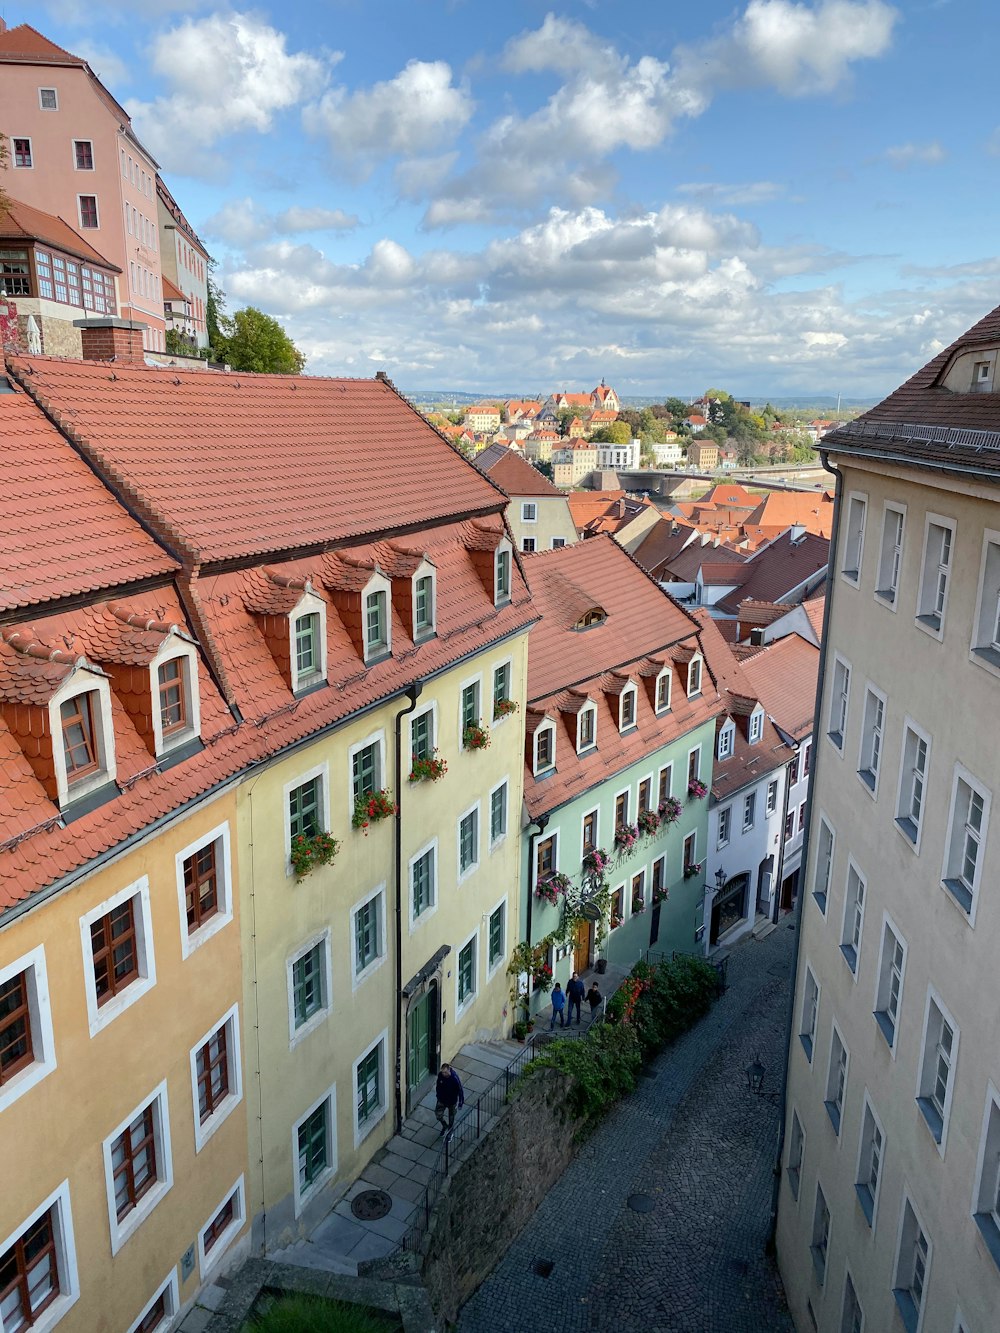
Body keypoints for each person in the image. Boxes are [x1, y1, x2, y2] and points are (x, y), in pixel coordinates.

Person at [435, 1062, 464, 1136]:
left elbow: (460, 1090)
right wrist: (438, 1095)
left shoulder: (454, 1078)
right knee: (438, 1115)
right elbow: (438, 1085)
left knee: (451, 1118)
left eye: (445, 1072)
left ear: (449, 1070)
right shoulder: (440, 1075)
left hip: (452, 1101)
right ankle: (445, 1126)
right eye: (442, 1072)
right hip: (442, 1099)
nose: (443, 1074)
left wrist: (461, 1102)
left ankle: (450, 1133)